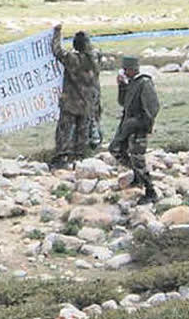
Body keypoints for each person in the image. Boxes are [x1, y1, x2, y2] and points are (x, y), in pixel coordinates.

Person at [108, 56, 160, 204]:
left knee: (138, 159)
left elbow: (153, 108)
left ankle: (151, 191)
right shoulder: (132, 83)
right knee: (115, 149)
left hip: (139, 128)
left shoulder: (144, 83)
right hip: (127, 126)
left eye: (126, 70)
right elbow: (123, 103)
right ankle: (138, 177)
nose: (124, 73)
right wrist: (122, 86)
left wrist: (140, 123)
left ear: (133, 69)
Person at [50, 25, 101, 169]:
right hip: (88, 103)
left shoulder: (72, 59)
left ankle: (62, 156)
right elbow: (94, 51)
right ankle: (80, 157)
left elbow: (57, 51)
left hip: (71, 102)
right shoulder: (95, 59)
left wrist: (57, 34)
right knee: (82, 132)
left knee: (65, 132)